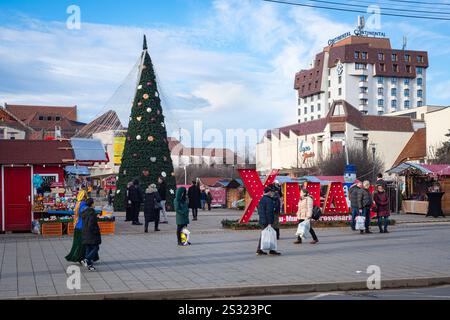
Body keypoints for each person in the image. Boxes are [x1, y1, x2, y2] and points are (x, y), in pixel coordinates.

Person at [256, 187, 281, 256]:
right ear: (269, 192)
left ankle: (259, 250)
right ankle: (272, 250)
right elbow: (269, 212)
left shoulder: (262, 199)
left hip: (262, 220)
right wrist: (270, 222)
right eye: (271, 192)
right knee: (272, 235)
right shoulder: (269, 200)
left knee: (263, 235)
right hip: (267, 221)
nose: (272, 193)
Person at [65, 190, 88, 263]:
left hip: (77, 225)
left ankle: (76, 256)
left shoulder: (77, 204)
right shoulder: (84, 204)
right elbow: (84, 215)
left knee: (76, 243)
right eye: (85, 196)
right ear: (84, 197)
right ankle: (80, 257)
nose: (86, 197)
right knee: (83, 244)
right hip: (83, 227)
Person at [81, 198, 101, 271]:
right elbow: (91, 224)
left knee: (88, 248)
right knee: (96, 247)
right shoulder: (92, 213)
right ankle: (86, 259)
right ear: (92, 204)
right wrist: (96, 230)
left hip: (85, 232)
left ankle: (90, 265)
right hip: (91, 233)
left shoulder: (84, 212)